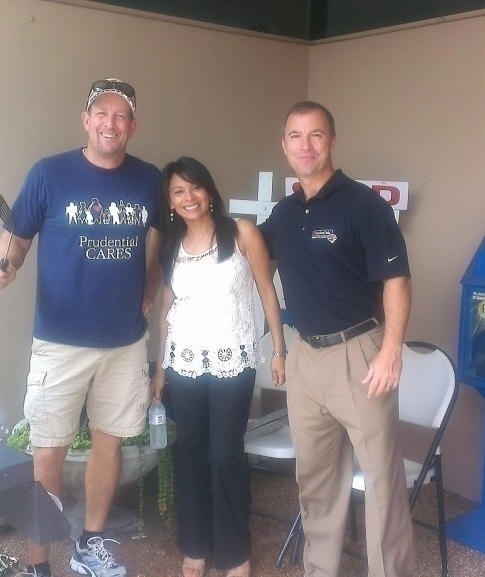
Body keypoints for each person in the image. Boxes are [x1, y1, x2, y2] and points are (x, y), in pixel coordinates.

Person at [0, 78, 161, 577]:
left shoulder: (148, 179)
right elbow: (14, 242)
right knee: (48, 453)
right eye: (101, 113)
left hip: (124, 343)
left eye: (121, 115)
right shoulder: (49, 174)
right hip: (60, 342)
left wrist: (150, 284)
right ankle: (40, 562)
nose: (111, 123)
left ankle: (90, 544)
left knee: (110, 443)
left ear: (133, 126)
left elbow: (161, 241)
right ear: (86, 120)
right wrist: (2, 268)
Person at [259, 101, 414, 577]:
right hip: (307, 360)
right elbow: (248, 252)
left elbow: (397, 282)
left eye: (316, 135)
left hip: (360, 355)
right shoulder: (283, 215)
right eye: (296, 136)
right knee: (317, 483)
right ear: (284, 146)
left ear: (332, 142)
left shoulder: (364, 206)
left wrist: (390, 352)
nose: (306, 145)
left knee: (383, 486)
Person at [151, 157, 286, 577]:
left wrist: (279, 349)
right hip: (185, 362)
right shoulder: (172, 245)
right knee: (189, 450)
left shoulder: (241, 232)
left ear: (208, 191)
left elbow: (266, 290)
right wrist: (160, 368)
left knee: (224, 454)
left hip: (233, 360)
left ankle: (234, 551)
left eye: (195, 187)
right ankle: (195, 545)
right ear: (171, 202)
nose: (188, 197)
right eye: (178, 191)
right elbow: (166, 310)